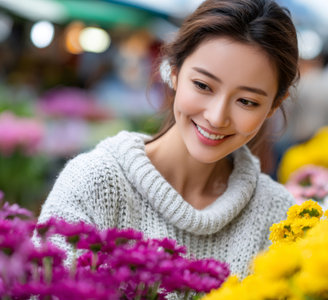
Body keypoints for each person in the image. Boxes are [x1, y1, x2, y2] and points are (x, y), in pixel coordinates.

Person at [37, 0, 299, 279]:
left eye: (246, 101)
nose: (216, 117)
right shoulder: (93, 182)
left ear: (273, 105)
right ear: (173, 72)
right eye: (202, 85)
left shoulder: (278, 215)